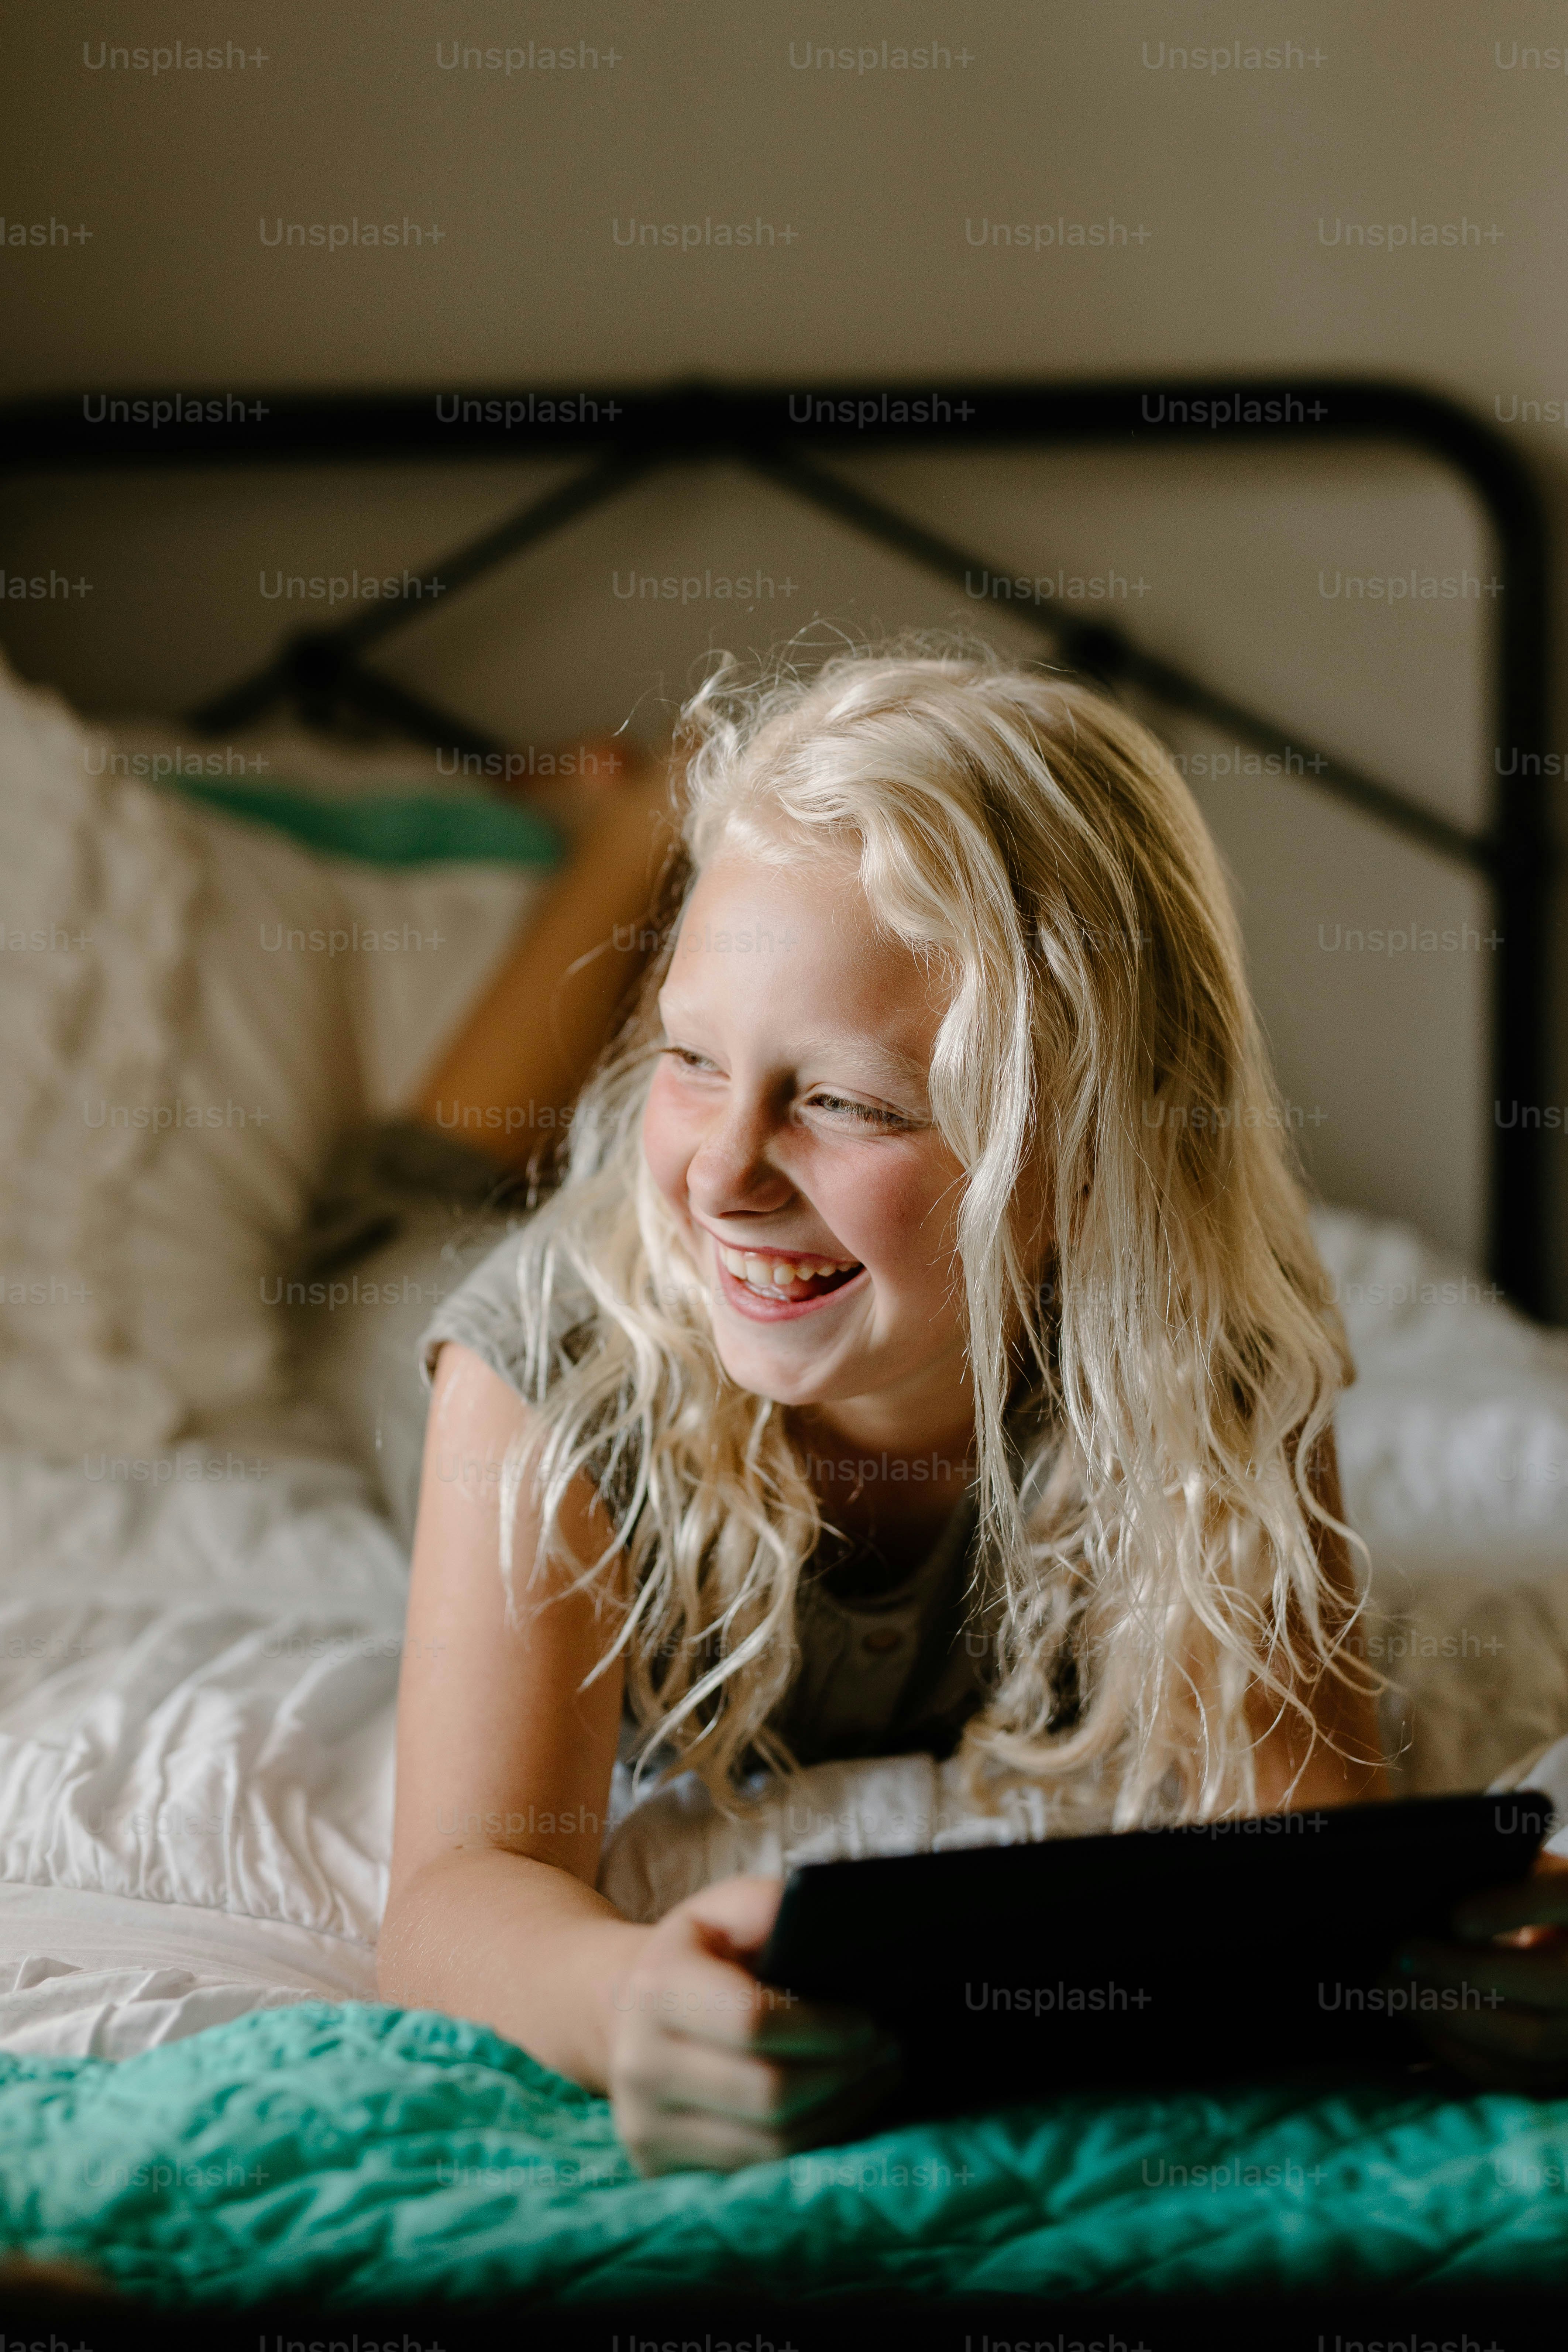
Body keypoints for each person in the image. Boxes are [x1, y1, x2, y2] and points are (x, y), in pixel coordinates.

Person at [375, 640, 1387, 2175]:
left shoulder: (1205, 1342)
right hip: (395, 1271)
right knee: (412, 1193)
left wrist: (1463, 1957)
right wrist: (625, 1994)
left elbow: (1317, 1834)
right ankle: (628, 813)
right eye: (689, 1058)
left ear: (1089, 1147)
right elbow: (458, 1891)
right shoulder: (545, 1362)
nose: (724, 1175)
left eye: (842, 1101)